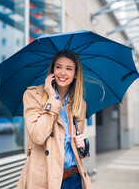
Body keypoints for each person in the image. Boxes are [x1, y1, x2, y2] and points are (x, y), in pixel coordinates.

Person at [17, 50, 93, 189]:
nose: (62, 73)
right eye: (58, 67)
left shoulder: (79, 103)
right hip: (46, 180)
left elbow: (76, 148)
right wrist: (52, 100)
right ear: (52, 70)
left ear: (75, 74)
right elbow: (38, 136)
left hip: (75, 179)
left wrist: (83, 145)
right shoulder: (33, 95)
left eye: (69, 68)